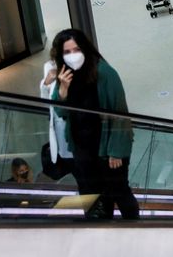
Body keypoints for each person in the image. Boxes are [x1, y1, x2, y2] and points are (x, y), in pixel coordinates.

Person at [51, 29, 139, 219]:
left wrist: (116, 150)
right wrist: (63, 91)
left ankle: (134, 226)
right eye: (67, 52)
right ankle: (100, 228)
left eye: (76, 49)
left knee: (118, 190)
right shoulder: (65, 76)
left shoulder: (105, 74)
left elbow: (119, 113)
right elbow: (59, 111)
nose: (72, 55)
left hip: (107, 148)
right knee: (91, 194)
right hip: (82, 149)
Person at [40, 60, 76, 181]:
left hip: (77, 134)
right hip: (59, 135)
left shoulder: (74, 67)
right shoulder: (49, 67)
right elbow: (46, 103)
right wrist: (45, 84)